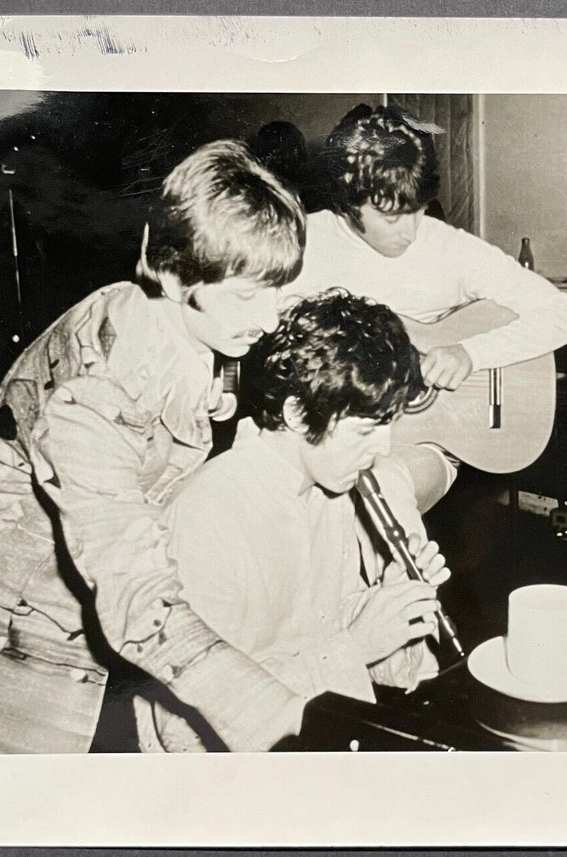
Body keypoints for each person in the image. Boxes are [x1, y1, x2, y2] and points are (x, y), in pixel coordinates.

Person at [0, 140, 313, 753]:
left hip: (84, 635)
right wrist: (268, 708)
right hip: (8, 645)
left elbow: (206, 355)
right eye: (248, 297)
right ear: (174, 272)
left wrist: (222, 386)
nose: (269, 320)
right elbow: (129, 574)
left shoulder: (180, 317)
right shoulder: (97, 392)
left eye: (276, 292)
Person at [137, 290, 450, 751]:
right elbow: (183, 733)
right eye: (367, 428)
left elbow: (325, 630)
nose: (384, 447)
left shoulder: (328, 491)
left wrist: (393, 605)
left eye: (388, 425)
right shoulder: (208, 516)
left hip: (307, 739)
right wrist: (354, 648)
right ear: (299, 415)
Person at [287, 103, 567, 511]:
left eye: (419, 211)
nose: (411, 233)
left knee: (376, 501)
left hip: (419, 443)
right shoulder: (299, 244)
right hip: (317, 435)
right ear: (348, 200)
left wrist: (470, 353)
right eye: (391, 218)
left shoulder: (447, 247)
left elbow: (566, 317)